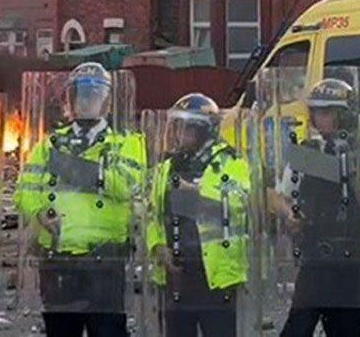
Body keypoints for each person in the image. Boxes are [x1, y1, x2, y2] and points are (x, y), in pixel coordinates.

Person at [15, 62, 146, 337]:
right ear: (71, 101)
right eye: (81, 95)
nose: (87, 102)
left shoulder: (127, 142)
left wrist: (76, 168)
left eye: (94, 96)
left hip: (105, 260)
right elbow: (24, 190)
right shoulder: (49, 144)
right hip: (58, 259)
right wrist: (39, 211)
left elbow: (125, 186)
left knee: (107, 331)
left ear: (107, 102)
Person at [276, 79, 360, 337]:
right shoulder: (308, 152)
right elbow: (280, 195)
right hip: (315, 255)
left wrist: (352, 168)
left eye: (325, 112)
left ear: (344, 115)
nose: (317, 119)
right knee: (297, 327)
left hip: (352, 258)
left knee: (348, 328)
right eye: (315, 112)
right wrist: (289, 214)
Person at [145, 93, 249, 337]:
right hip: (177, 275)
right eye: (176, 126)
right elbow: (152, 213)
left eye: (186, 127)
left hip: (215, 276)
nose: (179, 133)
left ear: (204, 130)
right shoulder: (168, 166)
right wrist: (158, 246)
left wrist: (197, 193)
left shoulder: (230, 161)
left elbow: (240, 203)